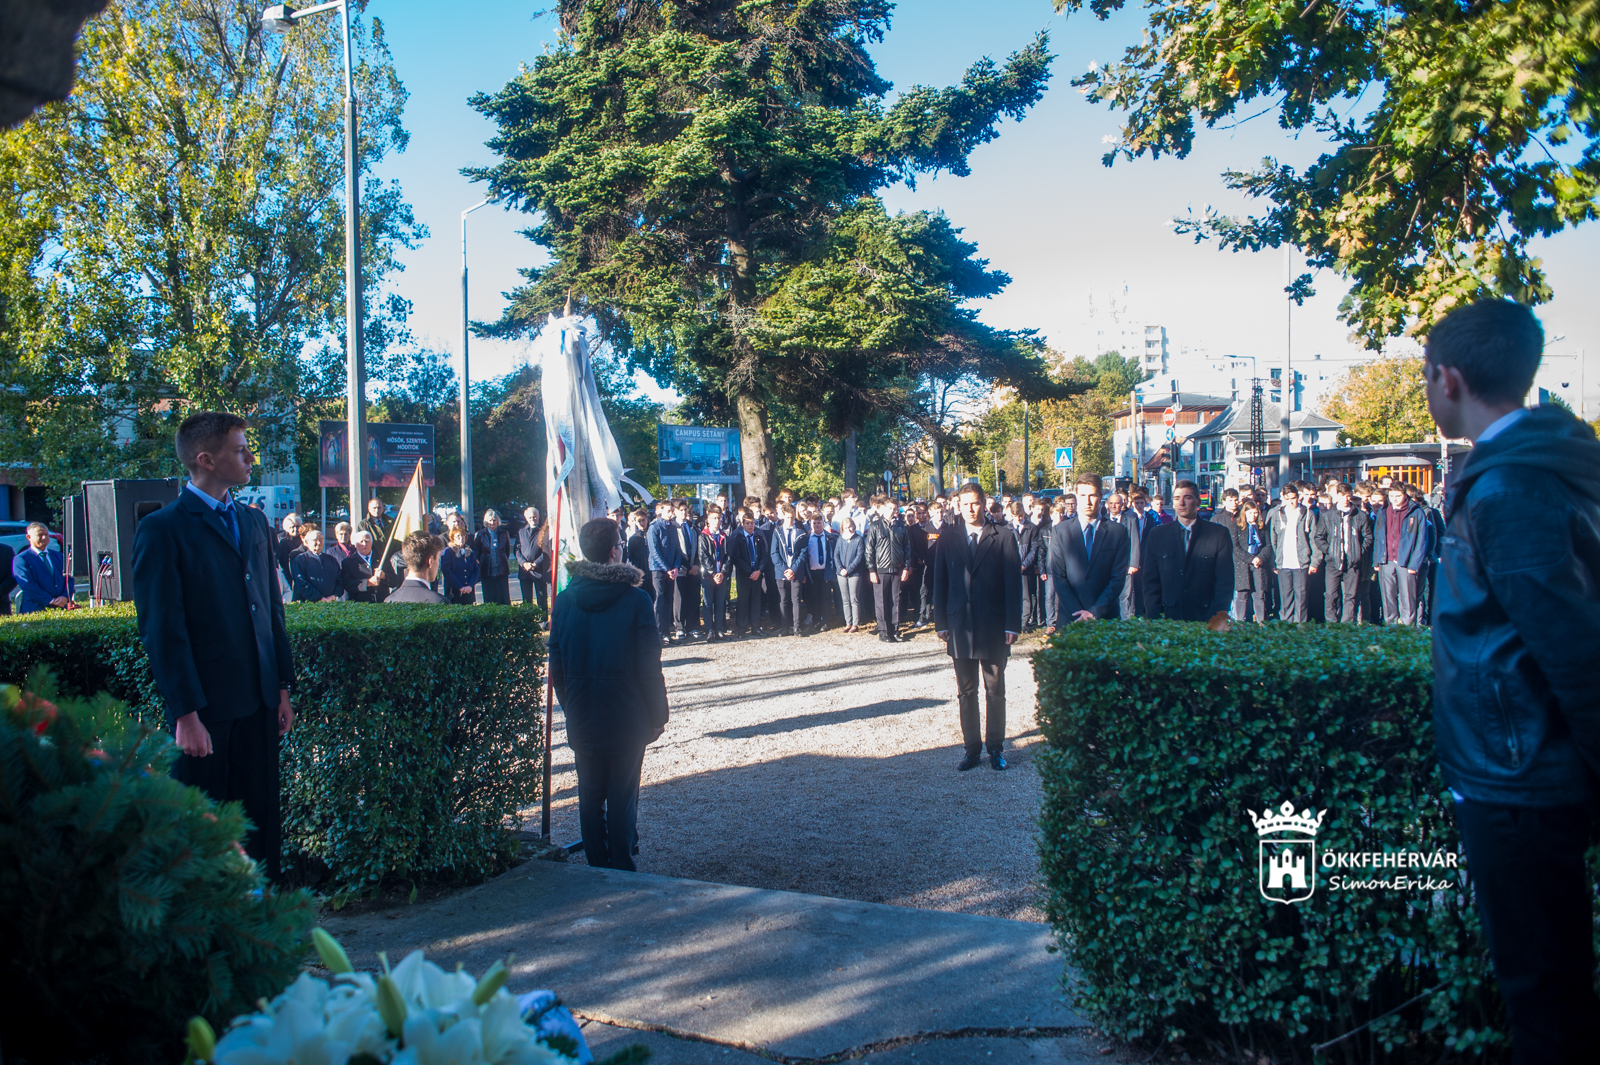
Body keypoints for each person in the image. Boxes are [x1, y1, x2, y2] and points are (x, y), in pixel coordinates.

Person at [1424, 299, 1600, 1058]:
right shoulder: (1524, 469)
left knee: (1544, 996)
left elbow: (1572, 650)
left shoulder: (1509, 487)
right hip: (1518, 771)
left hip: (1520, 780)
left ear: (1450, 378)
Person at [130, 411, 294, 879]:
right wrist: (185, 714)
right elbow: (163, 628)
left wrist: (281, 686)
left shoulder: (254, 522)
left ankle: (265, 927)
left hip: (259, 699)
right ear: (205, 459)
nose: (250, 458)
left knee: (259, 823)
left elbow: (271, 611)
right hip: (205, 709)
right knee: (204, 830)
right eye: (241, 450)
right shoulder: (164, 529)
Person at [548, 518, 669, 872]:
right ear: (616, 551)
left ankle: (598, 862)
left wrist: (570, 704)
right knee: (621, 795)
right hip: (627, 713)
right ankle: (620, 862)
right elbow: (649, 664)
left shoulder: (566, 599)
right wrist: (657, 713)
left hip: (584, 709)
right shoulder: (636, 600)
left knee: (590, 792)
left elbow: (557, 663)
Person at [932, 483, 1022, 771]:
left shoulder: (1004, 536)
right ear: (958, 505)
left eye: (975, 503)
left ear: (984, 503)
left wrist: (1013, 624)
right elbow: (939, 583)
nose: (970, 508)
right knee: (966, 692)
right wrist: (941, 622)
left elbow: (1013, 584)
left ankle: (996, 748)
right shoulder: (948, 538)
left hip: (994, 624)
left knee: (995, 690)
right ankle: (971, 749)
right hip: (959, 625)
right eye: (965, 503)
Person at [1141, 480, 1234, 622]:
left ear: (1198, 502)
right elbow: (1150, 582)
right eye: (1177, 498)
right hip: (1168, 620)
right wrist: (1155, 620)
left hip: (1205, 619)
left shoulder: (1218, 534)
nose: (1181, 503)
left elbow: (1225, 582)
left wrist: (1216, 620)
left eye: (1187, 498)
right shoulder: (1158, 535)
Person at [1047, 476, 1130, 623]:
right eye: (1083, 496)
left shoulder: (1118, 532)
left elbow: (1117, 578)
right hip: (1070, 618)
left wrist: (1094, 612)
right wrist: (1079, 614)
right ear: (1077, 497)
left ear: (1100, 496)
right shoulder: (1061, 531)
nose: (1087, 501)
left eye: (1092, 495)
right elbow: (1059, 577)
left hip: (1105, 619)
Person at [1312, 484, 1371, 623]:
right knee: (1330, 594)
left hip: (1352, 561)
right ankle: (1332, 623)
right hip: (1333, 561)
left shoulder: (1360, 515)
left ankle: (1347, 624)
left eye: (1348, 495)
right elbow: (1319, 537)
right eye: (1343, 495)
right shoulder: (1327, 515)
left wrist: (1358, 552)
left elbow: (1368, 537)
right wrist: (1330, 551)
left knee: (1350, 595)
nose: (1345, 498)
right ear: (1337, 495)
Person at [1373, 483, 1427, 625]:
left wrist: (1414, 563)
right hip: (1386, 560)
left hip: (1407, 562)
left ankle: (1408, 629)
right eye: (1391, 496)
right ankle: (1390, 628)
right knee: (1388, 597)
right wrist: (1377, 561)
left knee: (1408, 597)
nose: (1394, 499)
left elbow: (1421, 541)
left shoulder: (1416, 512)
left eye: (1398, 496)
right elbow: (1378, 537)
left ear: (1405, 495)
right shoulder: (1383, 511)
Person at [864, 494, 911, 643]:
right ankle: (883, 631)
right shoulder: (875, 526)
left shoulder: (901, 527)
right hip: (881, 568)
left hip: (897, 568)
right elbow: (869, 549)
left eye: (895, 508)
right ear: (882, 509)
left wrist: (906, 567)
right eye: (890, 508)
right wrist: (871, 570)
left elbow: (907, 548)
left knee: (895, 600)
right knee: (881, 601)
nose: (892, 510)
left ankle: (894, 630)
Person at [1268, 483, 1314, 622]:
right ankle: (1286, 624)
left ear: (1298, 497)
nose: (1291, 501)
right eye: (1288, 498)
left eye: (1293, 498)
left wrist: (1314, 561)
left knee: (1301, 596)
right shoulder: (1277, 514)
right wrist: (1275, 561)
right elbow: (1273, 538)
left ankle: (1300, 626)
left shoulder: (1307, 513)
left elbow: (1313, 538)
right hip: (1284, 562)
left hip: (1301, 562)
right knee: (1285, 596)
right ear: (1283, 497)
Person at [13, 523, 76, 613]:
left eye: (46, 535)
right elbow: (27, 584)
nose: (44, 538)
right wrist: (50, 600)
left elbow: (69, 578)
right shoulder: (22, 559)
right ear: (29, 537)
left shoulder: (59, 556)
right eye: (40, 535)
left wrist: (65, 596)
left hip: (61, 608)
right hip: (35, 609)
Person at [1230, 500, 1274, 622]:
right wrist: (1251, 559)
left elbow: (1268, 545)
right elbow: (1235, 547)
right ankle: (1240, 621)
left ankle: (1261, 621)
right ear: (1245, 513)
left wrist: (1260, 558)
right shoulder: (1237, 526)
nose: (1253, 516)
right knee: (1242, 594)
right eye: (1250, 513)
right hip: (1243, 563)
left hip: (1258, 563)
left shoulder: (1261, 527)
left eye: (1255, 513)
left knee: (1259, 594)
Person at [768, 503, 808, 637]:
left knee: (796, 599)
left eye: (792, 518)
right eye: (788, 518)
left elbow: (803, 552)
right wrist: (785, 569)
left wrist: (794, 569)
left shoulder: (800, 531)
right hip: (781, 571)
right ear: (783, 517)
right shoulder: (777, 531)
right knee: (783, 599)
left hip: (796, 570)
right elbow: (774, 553)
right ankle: (784, 627)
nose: (790, 521)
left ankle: (796, 627)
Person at [646, 501, 683, 640]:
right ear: (661, 511)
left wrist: (676, 567)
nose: (671, 513)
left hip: (671, 570)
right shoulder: (654, 527)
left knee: (668, 600)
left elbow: (678, 550)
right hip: (658, 569)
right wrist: (667, 568)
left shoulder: (673, 528)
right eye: (668, 511)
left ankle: (666, 632)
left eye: (672, 510)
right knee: (659, 599)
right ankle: (657, 633)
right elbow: (654, 551)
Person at [697, 505, 734, 640]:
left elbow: (729, 556)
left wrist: (722, 572)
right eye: (714, 518)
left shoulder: (725, 536)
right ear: (708, 520)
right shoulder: (703, 536)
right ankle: (709, 631)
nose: (717, 521)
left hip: (721, 576)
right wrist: (713, 573)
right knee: (708, 604)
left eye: (719, 518)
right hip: (708, 576)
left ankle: (719, 629)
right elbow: (703, 556)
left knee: (720, 603)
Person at [729, 508, 767, 636]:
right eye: (747, 523)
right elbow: (735, 557)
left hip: (757, 574)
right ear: (742, 524)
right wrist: (749, 571)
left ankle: (756, 627)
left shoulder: (758, 536)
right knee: (743, 601)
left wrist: (758, 571)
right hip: (744, 575)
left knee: (756, 601)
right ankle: (741, 629)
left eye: (752, 523)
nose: (750, 525)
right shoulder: (737, 537)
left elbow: (764, 555)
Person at [385, 532, 448, 603]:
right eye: (438, 559)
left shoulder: (389, 600)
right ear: (430, 561)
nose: (438, 564)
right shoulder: (439, 601)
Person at [1008, 501, 1041, 631]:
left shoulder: (1031, 528)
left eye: (1021, 516)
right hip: (1011, 568)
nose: (1019, 519)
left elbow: (1034, 549)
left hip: (1026, 569)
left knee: (1027, 595)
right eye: (1016, 516)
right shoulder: (1008, 528)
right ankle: (1014, 621)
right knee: (1013, 595)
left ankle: (1024, 622)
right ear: (1011, 514)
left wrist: (1024, 565)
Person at [289, 527, 343, 602]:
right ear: (307, 542)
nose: (319, 543)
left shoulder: (332, 560)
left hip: (330, 604)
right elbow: (302, 583)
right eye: (315, 540)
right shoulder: (300, 560)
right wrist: (320, 598)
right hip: (307, 605)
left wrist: (333, 596)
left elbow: (340, 581)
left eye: (321, 540)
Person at [801, 514, 835, 633]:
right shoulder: (807, 538)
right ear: (811, 524)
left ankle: (825, 621)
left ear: (823, 524)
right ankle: (816, 620)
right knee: (814, 597)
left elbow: (833, 556)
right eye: (814, 523)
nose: (817, 525)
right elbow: (804, 557)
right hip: (812, 572)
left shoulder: (830, 538)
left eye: (819, 523)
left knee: (825, 597)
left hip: (825, 572)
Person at [474, 509, 513, 605]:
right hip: (486, 569)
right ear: (486, 521)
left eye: (494, 520)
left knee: (503, 595)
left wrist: (501, 561)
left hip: (501, 569)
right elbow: (477, 552)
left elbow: (507, 551)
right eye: (490, 520)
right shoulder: (480, 534)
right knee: (489, 595)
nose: (492, 523)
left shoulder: (504, 533)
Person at [834, 515, 866, 632]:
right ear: (842, 528)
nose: (849, 529)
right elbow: (836, 555)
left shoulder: (859, 539)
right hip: (841, 573)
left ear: (854, 526)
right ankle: (848, 622)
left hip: (854, 573)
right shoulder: (840, 539)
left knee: (854, 598)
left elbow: (859, 556)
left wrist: (849, 569)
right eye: (846, 527)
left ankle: (855, 623)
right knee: (845, 599)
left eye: (851, 526)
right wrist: (841, 568)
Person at [515, 506, 549, 610]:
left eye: (534, 517)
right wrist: (524, 563)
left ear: (538, 516)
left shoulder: (543, 531)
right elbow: (517, 550)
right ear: (526, 518)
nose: (532, 519)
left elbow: (546, 551)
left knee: (542, 599)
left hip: (539, 570)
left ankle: (543, 623)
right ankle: (528, 621)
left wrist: (535, 564)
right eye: (530, 517)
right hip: (525, 571)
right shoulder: (521, 532)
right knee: (526, 600)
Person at [440, 526, 481, 605]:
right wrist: (460, 587)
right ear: (453, 538)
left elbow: (476, 570)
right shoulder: (448, 552)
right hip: (454, 592)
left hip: (468, 591)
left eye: (463, 536)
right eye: (458, 536)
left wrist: (470, 585)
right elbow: (447, 571)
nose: (461, 538)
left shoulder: (469, 551)